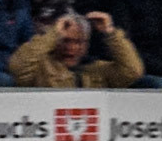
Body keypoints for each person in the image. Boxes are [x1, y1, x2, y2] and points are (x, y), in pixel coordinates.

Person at [9, 9, 143, 87]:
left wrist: (110, 33)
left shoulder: (98, 69)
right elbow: (18, 68)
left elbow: (132, 71)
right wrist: (53, 33)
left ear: (87, 44)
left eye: (79, 42)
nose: (71, 47)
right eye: (66, 41)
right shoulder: (41, 67)